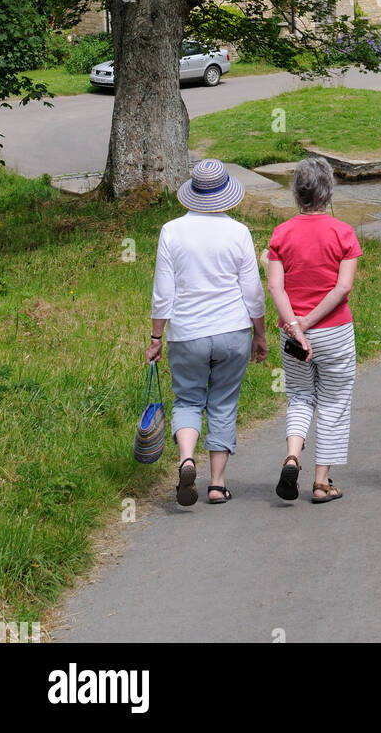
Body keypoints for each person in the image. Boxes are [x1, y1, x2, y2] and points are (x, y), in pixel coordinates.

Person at [147, 158, 267, 506]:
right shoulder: (239, 232)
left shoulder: (171, 231)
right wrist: (259, 335)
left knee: (187, 400)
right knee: (223, 403)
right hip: (232, 330)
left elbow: (163, 291)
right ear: (226, 194)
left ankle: (186, 459)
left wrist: (156, 337)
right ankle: (216, 484)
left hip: (187, 333)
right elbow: (253, 292)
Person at [266, 156, 361, 504]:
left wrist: (295, 324)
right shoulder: (343, 233)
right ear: (329, 192)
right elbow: (342, 288)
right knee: (335, 402)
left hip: (292, 335)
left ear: (296, 193)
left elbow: (276, 288)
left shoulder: (281, 233)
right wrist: (309, 322)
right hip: (334, 330)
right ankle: (321, 483)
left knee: (300, 396)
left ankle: (293, 456)